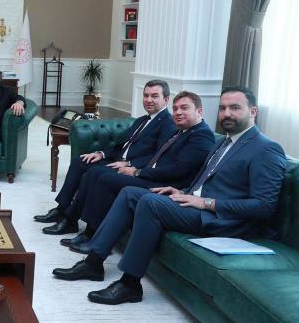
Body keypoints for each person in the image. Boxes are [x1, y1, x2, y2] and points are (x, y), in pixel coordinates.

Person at [52, 86, 286, 305]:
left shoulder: (266, 149)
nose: (226, 114)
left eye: (234, 108)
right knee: (130, 193)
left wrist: (204, 202)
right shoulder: (224, 142)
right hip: (196, 205)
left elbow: (264, 206)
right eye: (223, 108)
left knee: (149, 202)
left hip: (222, 219)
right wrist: (182, 192)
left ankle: (130, 284)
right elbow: (206, 182)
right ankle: (94, 262)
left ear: (253, 112)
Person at [61, 91, 215, 253]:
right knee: (99, 174)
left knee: (106, 179)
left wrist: (138, 172)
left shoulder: (201, 135)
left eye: (184, 108)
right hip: (156, 176)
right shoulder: (183, 130)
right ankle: (83, 227)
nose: (178, 112)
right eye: (175, 108)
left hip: (167, 185)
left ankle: (92, 235)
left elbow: (178, 170)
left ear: (199, 111)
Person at [36, 80, 176, 235]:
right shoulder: (142, 120)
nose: (149, 100)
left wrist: (130, 164)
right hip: (116, 159)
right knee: (79, 162)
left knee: (92, 173)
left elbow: (158, 155)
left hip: (131, 167)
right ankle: (61, 209)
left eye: (154, 96)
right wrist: (100, 154)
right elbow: (121, 144)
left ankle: (70, 220)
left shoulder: (168, 123)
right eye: (146, 95)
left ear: (166, 99)